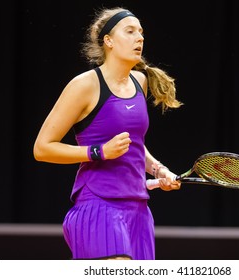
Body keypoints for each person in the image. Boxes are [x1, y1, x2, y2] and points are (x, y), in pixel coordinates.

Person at [33, 6, 183, 260]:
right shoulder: (84, 85)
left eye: (141, 33)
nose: (140, 38)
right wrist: (99, 151)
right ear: (109, 41)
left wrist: (159, 170)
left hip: (138, 210)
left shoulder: (140, 82)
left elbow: (132, 144)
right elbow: (42, 148)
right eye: (130, 31)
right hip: (99, 208)